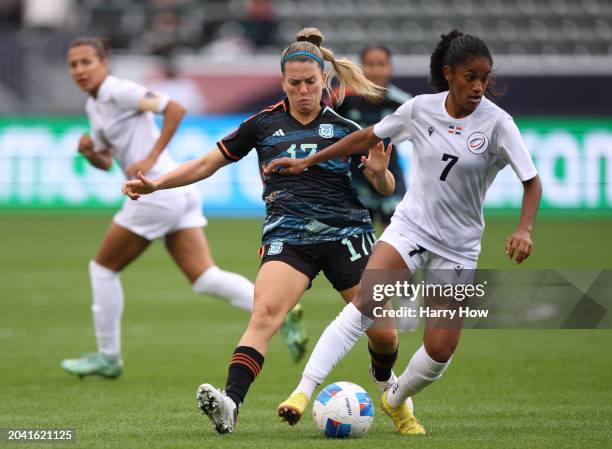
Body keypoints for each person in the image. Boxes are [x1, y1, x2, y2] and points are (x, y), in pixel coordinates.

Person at [123, 28, 401, 435]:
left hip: (348, 237)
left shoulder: (345, 129)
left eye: (311, 82)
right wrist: (156, 183)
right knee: (264, 316)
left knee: (385, 333)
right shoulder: (262, 124)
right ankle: (230, 404)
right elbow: (205, 164)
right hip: (288, 239)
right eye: (295, 84)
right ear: (283, 82)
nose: (304, 91)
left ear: (325, 80)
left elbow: (385, 187)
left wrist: (379, 175)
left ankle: (386, 383)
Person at [266, 29, 542, 434]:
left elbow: (531, 181)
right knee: (366, 303)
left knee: (440, 352)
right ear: (449, 74)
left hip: (459, 247)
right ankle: (302, 392)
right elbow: (365, 137)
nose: (479, 87)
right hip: (410, 228)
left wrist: (525, 229)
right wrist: (308, 162)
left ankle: (395, 400)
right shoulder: (419, 110)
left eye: (484, 78)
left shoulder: (499, 125)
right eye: (470, 77)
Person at [60, 36, 306, 379]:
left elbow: (174, 108)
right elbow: (105, 161)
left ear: (104, 62)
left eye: (87, 62)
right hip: (174, 194)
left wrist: (150, 157)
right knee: (204, 278)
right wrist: (89, 152)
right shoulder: (95, 105)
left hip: (157, 191)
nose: (80, 70)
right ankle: (281, 310)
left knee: (102, 268)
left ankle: (108, 356)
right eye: (74, 65)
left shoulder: (119, 91)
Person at [333, 45, 411, 229]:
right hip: (354, 183)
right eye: (370, 64)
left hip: (390, 180)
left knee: (392, 250)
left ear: (390, 67)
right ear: (360, 67)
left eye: (381, 64)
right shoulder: (343, 99)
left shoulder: (403, 103)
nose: (376, 70)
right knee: (358, 253)